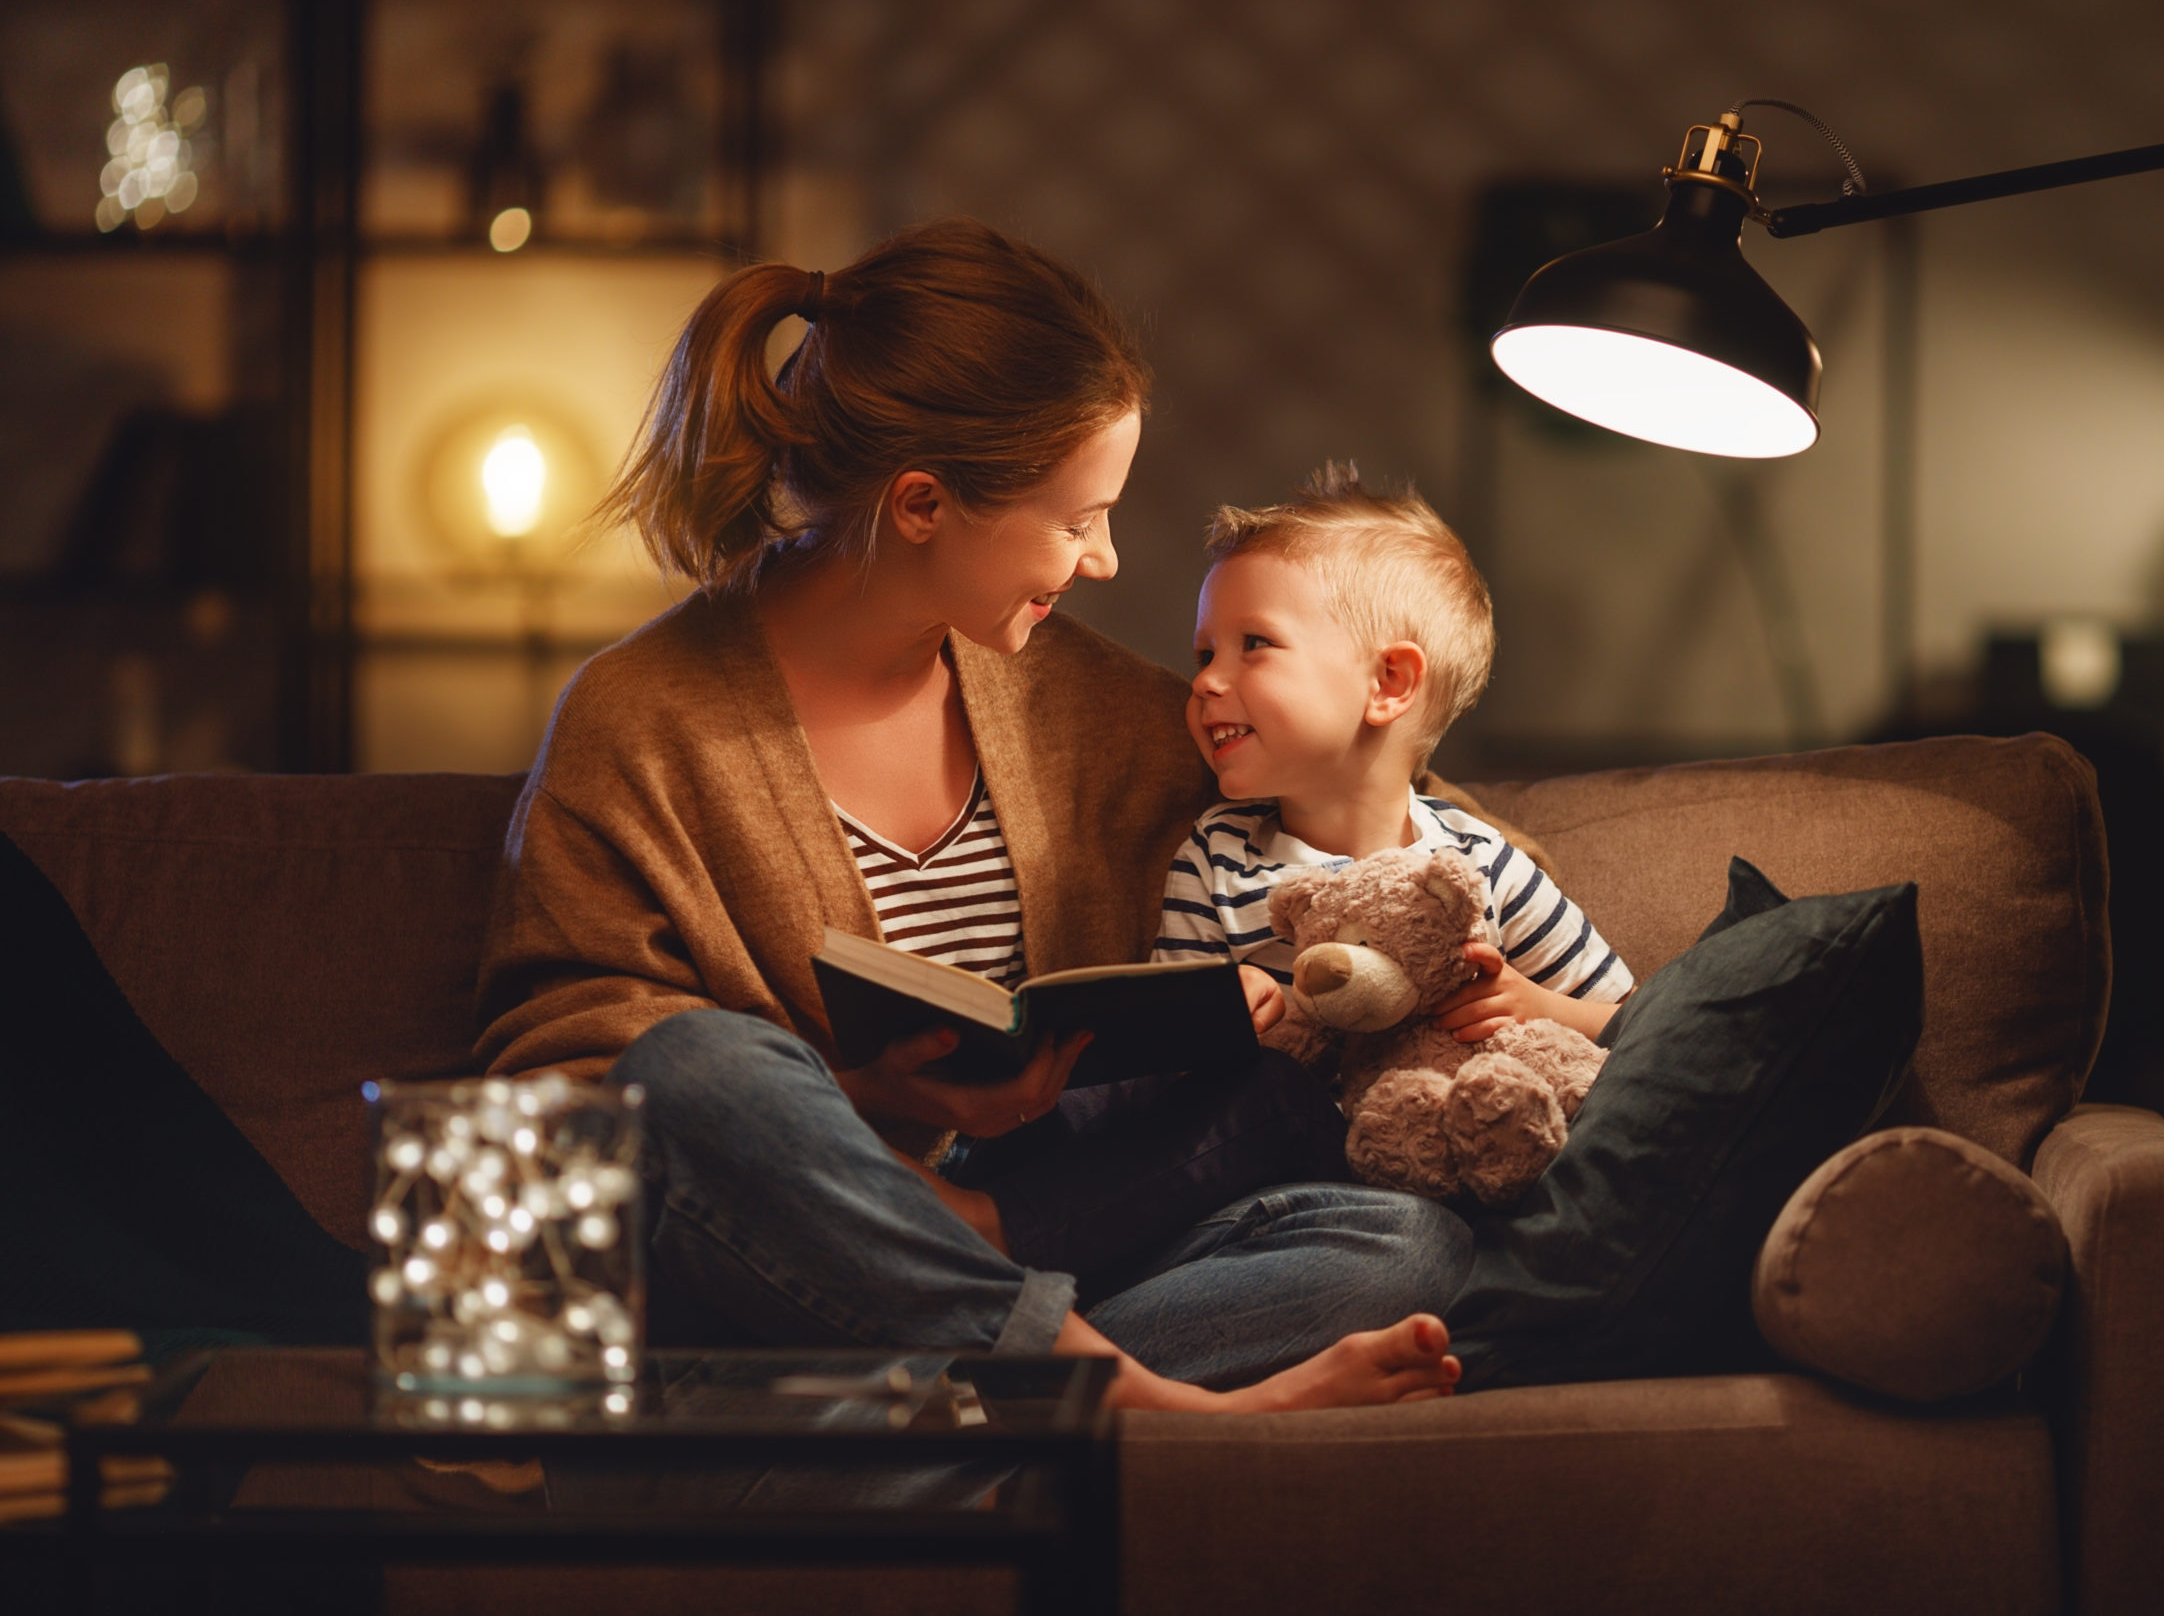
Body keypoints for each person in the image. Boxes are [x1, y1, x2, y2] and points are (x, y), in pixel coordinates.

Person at [473, 221, 1467, 1412]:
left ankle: (950, 1401)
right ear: (923, 504)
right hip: (788, 1271)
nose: (1102, 561)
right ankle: (1138, 1409)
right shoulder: (642, 720)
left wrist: (1487, 956)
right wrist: (868, 1099)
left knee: (1407, 1247)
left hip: (1051, 1234)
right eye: (1075, 517)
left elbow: (1378, 807)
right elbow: (570, 1081)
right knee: (692, 1070)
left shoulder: (1090, 705)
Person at [1156, 463, 1633, 1047]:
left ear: (1389, 684)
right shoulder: (1215, 860)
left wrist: (1537, 1006)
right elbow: (1159, 1052)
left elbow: (1640, 1024)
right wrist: (1222, 1010)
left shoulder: (1481, 867)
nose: (1205, 682)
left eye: (1254, 644)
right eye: (1205, 656)